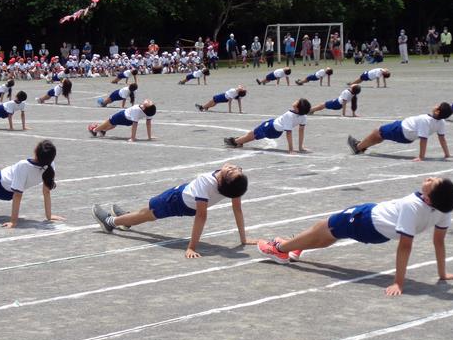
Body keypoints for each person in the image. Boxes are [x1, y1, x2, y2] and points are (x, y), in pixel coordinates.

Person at [256, 177, 453, 296]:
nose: (430, 179)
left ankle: (279, 250)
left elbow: (405, 246)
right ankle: (296, 246)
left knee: (325, 227)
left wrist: (398, 282)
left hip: (365, 221)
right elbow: (439, 242)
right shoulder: (443, 210)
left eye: (433, 183)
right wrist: (442, 274)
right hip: (373, 222)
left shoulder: (413, 206)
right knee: (329, 231)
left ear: (429, 198)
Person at [92, 163, 255, 258]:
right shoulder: (233, 187)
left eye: (232, 171)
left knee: (148, 213)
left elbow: (201, 216)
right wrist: (243, 239)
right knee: (147, 211)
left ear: (224, 180)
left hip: (177, 200)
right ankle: (127, 219)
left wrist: (191, 247)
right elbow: (237, 208)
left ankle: (110, 222)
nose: (235, 168)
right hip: (186, 196)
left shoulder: (207, 182)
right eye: (237, 170)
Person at [347, 102, 453, 162]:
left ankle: (358, 147)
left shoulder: (425, 120)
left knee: (378, 132)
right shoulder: (441, 122)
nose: (435, 105)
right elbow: (442, 138)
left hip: (401, 130)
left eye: (437, 106)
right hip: (405, 132)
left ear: (437, 111)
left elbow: (424, 139)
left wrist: (421, 157)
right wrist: (447, 154)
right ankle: (362, 146)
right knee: (380, 135)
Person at [224, 98, 311, 154]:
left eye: (297, 102)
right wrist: (300, 147)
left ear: (297, 108)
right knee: (253, 134)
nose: (296, 100)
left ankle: (235, 142)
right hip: (276, 130)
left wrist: (291, 150)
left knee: (253, 134)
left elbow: (289, 133)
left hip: (271, 128)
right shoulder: (303, 116)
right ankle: (240, 141)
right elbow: (301, 131)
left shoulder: (289, 115)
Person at [88, 99, 156, 142]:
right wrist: (149, 137)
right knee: (113, 124)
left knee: (109, 121)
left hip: (123, 116)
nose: (148, 102)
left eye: (146, 105)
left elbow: (135, 126)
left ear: (144, 108)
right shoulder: (150, 112)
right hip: (129, 121)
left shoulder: (137, 110)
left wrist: (133, 138)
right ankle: (103, 131)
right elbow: (148, 124)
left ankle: (94, 130)